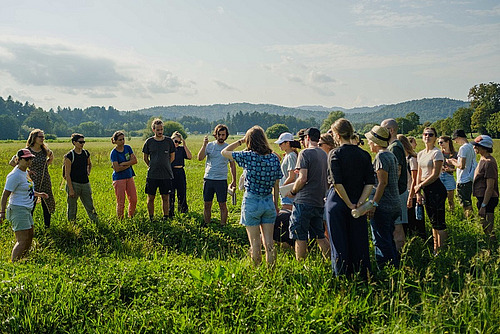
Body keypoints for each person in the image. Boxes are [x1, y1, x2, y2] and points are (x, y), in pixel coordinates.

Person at [221, 126, 282, 265]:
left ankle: (256, 271)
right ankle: (271, 272)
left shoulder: (249, 156)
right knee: (269, 243)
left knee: (255, 243)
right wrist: (276, 205)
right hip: (268, 202)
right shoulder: (274, 157)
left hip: (252, 201)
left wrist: (241, 142)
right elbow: (276, 185)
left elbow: (224, 152)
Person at [326, 119, 375, 277]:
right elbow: (369, 182)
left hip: (338, 203)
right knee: (359, 241)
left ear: (338, 135)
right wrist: (360, 202)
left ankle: (342, 277)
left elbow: (337, 183)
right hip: (358, 203)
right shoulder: (364, 154)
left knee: (339, 243)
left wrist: (348, 203)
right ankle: (361, 275)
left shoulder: (335, 154)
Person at [287, 127, 331, 261]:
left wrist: (293, 191)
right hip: (319, 201)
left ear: (307, 138)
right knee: (320, 235)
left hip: (304, 201)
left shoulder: (305, 153)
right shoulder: (324, 154)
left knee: (299, 236)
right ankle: (333, 262)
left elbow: (303, 178)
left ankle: (301, 265)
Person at [1, 149, 48, 262]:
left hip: (26, 209)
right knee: (22, 240)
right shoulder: (14, 175)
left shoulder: (25, 172)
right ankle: (15, 264)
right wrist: (2, 212)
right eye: (26, 159)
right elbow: (5, 195)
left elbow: (27, 189)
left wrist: (38, 194)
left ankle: (22, 259)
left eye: (31, 158)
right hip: (18, 209)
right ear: (18, 160)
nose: (29, 161)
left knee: (30, 235)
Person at [365, 125, 400, 268]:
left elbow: (382, 182)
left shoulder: (381, 157)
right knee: (388, 239)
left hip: (384, 205)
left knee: (380, 241)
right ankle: (395, 267)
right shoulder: (391, 154)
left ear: (375, 141)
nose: (368, 143)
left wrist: (374, 204)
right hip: (393, 203)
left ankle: (386, 271)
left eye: (369, 140)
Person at [9, 129, 56, 228]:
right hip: (32, 180)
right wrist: (26, 171)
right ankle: (28, 226)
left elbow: (51, 157)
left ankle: (47, 226)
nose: (42, 139)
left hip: (45, 179)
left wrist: (46, 165)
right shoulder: (27, 150)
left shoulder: (44, 150)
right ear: (34, 138)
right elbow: (12, 162)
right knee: (31, 202)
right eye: (40, 137)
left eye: (43, 137)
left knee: (46, 201)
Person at [415, 127, 448, 254]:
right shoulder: (421, 153)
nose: (427, 136)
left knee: (439, 222)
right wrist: (417, 191)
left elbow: (435, 174)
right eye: (425, 134)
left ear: (435, 138)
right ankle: (436, 248)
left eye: (430, 134)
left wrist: (420, 185)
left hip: (436, 188)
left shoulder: (437, 153)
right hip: (425, 188)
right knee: (432, 221)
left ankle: (443, 250)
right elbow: (418, 173)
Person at [197, 124, 236, 226]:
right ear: (216, 135)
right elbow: (199, 158)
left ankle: (223, 225)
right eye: (219, 134)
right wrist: (204, 145)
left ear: (226, 135)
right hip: (208, 178)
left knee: (222, 204)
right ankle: (207, 223)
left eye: (223, 135)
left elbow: (232, 165)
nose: (221, 137)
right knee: (207, 204)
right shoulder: (210, 146)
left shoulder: (228, 148)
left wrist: (234, 180)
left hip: (221, 180)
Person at [142, 119, 176, 220]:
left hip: (166, 174)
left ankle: (165, 216)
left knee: (165, 197)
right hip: (152, 175)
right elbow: (145, 158)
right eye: (158, 130)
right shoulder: (149, 142)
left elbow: (172, 157)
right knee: (151, 197)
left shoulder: (169, 141)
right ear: (153, 130)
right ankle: (151, 217)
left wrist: (165, 165)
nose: (160, 132)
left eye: (161, 129)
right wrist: (152, 165)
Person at [64, 133, 98, 222]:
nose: (82, 144)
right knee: (72, 207)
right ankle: (72, 225)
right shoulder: (70, 156)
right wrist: (71, 189)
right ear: (74, 142)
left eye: (84, 142)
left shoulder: (86, 153)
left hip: (85, 183)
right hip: (74, 184)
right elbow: (67, 174)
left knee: (90, 205)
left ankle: (96, 222)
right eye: (80, 142)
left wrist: (88, 171)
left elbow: (89, 164)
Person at [398, 134, 426, 240]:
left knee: (415, 221)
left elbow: (415, 179)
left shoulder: (412, 159)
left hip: (412, 194)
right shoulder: (405, 158)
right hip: (407, 193)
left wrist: (410, 196)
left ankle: (420, 240)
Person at [472, 135, 498, 239]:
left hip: (488, 199)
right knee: (484, 225)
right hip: (482, 197)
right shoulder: (483, 159)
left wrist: (484, 205)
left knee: (488, 226)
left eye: (477, 146)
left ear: (484, 147)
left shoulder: (489, 163)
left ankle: (491, 246)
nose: (474, 148)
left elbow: (490, 187)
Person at [448, 129, 477, 219]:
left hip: (463, 179)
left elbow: (461, 166)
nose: (455, 141)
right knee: (468, 201)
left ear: (459, 137)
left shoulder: (463, 148)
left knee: (465, 204)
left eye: (455, 139)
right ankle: (472, 219)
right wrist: (456, 161)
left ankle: (470, 220)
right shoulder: (471, 147)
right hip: (469, 177)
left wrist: (452, 162)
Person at [110, 131, 138, 219]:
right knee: (121, 201)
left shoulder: (128, 148)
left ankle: (131, 216)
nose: (122, 141)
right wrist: (129, 164)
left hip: (129, 176)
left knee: (133, 199)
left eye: (123, 139)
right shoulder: (114, 153)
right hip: (119, 179)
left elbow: (135, 161)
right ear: (115, 141)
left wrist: (124, 164)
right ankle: (120, 219)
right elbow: (117, 169)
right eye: (120, 140)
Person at [169, 131, 192, 216]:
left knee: (182, 192)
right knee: (171, 193)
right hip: (171, 172)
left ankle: (183, 210)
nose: (177, 143)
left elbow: (190, 156)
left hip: (180, 171)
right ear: (172, 140)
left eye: (179, 142)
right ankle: (170, 211)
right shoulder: (169, 150)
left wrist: (185, 145)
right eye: (176, 141)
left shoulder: (181, 149)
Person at [275, 132, 299, 211]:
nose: (279, 146)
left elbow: (292, 176)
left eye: (281, 143)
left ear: (287, 143)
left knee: (287, 213)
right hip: (287, 191)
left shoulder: (291, 156)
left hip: (287, 191)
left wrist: (282, 188)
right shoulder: (289, 155)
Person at [438, 136, 457, 211]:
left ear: (448, 142)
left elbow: (460, 168)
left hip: (449, 176)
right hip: (439, 175)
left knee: (450, 199)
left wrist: (450, 169)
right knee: (439, 198)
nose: (440, 144)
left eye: (441, 142)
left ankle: (452, 212)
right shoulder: (439, 153)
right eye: (438, 143)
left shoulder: (455, 154)